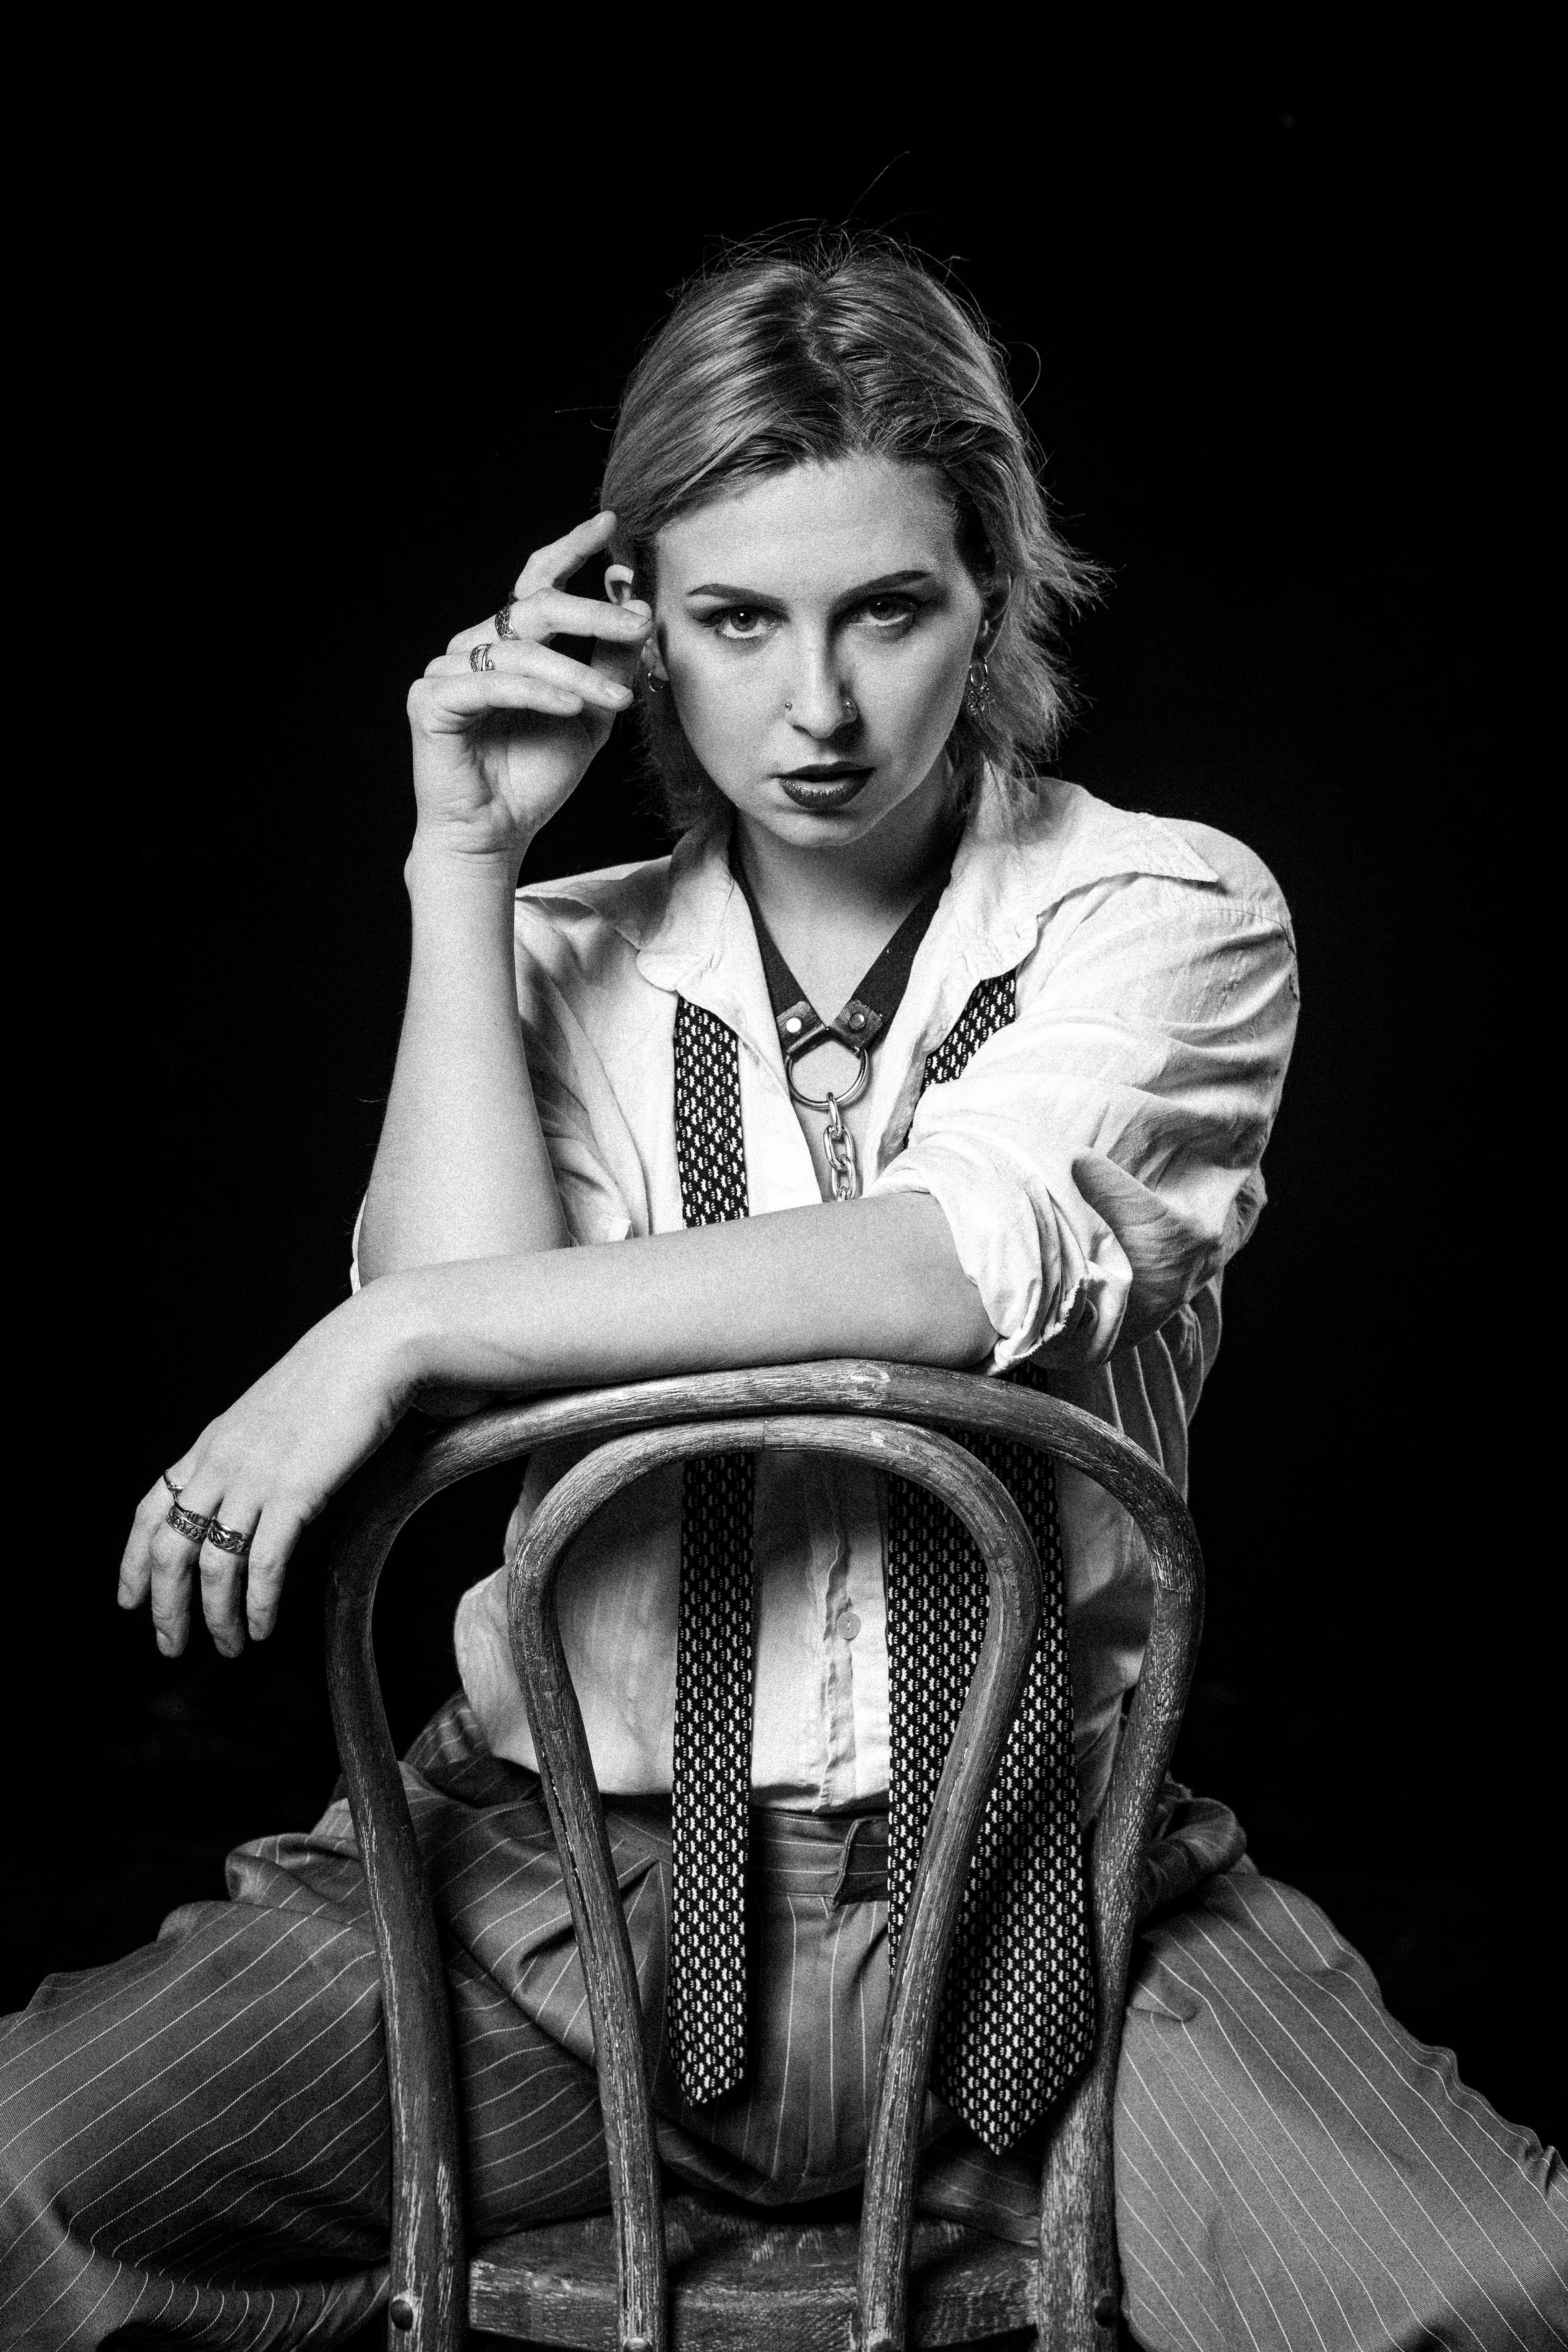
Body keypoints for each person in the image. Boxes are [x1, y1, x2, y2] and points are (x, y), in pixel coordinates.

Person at [3, 239, 1563, 2352]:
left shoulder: (1163, 911)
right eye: (737, 620)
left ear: (994, 598)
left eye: (887, 611)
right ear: (641, 622)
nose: (814, 709)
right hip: (554, 1892)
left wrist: (371, 1336)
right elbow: (490, 1365)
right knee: (27, 2175)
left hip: (1042, 1896)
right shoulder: (554, 956)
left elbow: (945, 1268)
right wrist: (457, 873)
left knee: (1487, 2298)